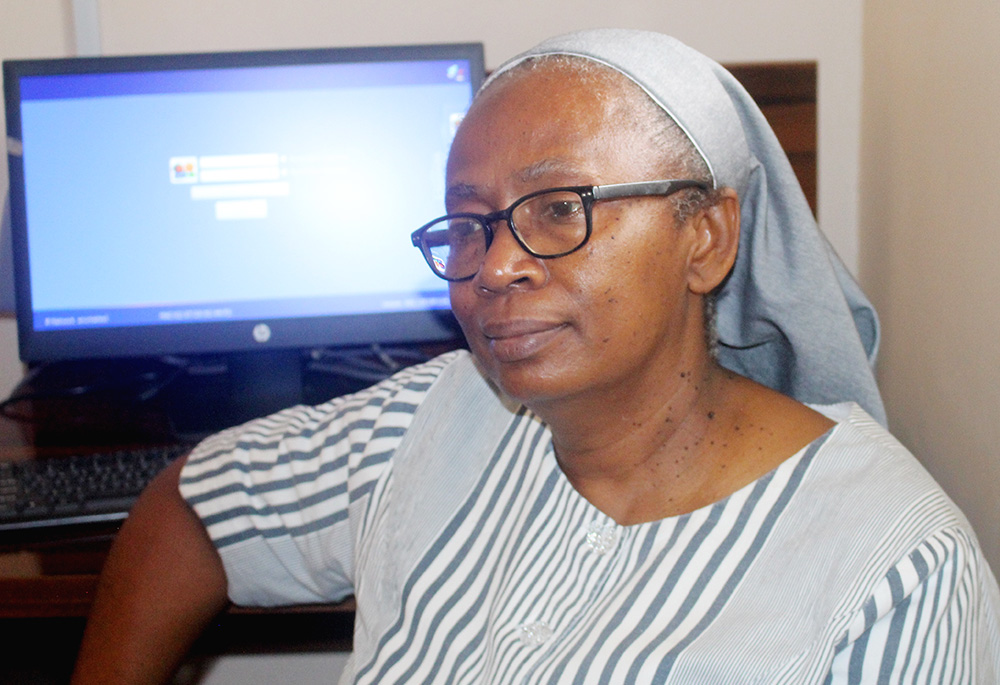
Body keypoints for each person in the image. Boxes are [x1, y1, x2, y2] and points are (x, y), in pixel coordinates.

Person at [73, 29, 1000, 683]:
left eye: (560, 208)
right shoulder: (428, 421)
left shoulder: (894, 570)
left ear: (707, 237)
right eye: (469, 224)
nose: (498, 264)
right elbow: (194, 508)